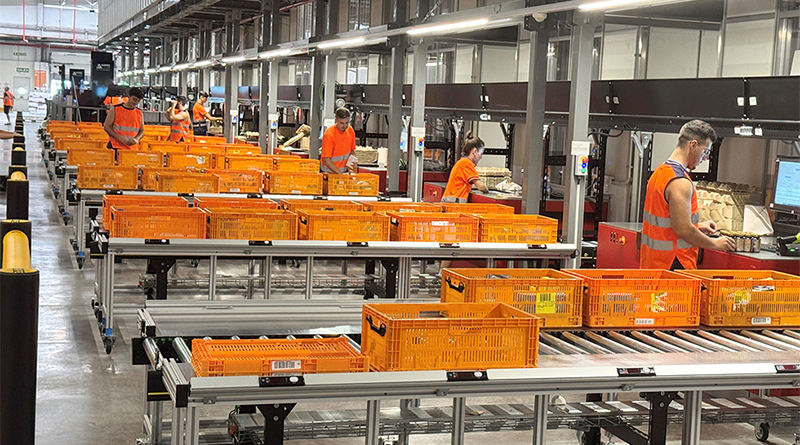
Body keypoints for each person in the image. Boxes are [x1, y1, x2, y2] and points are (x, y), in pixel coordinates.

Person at [640, 120, 735, 270]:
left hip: (654, 263)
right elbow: (684, 230)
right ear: (693, 145)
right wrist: (715, 243)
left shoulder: (660, 172)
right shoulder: (680, 182)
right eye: (705, 152)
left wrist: (697, 226)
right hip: (674, 264)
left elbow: (668, 222)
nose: (705, 158)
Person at [441, 131, 489, 203]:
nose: (480, 157)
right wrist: (487, 191)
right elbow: (480, 186)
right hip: (454, 201)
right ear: (475, 152)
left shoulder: (462, 162)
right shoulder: (466, 164)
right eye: (481, 154)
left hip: (451, 200)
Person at [103, 87, 145, 151]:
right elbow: (106, 126)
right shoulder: (115, 109)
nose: (136, 102)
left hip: (132, 148)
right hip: (115, 146)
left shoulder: (139, 113)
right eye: (134, 99)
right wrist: (120, 138)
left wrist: (136, 139)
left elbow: (142, 131)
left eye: (138, 101)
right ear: (129, 97)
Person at [320, 107, 357, 174]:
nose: (344, 126)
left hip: (343, 172)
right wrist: (340, 174)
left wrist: (351, 167)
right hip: (328, 173)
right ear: (336, 120)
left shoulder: (350, 130)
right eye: (342, 123)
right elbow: (326, 160)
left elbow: (352, 152)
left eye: (347, 123)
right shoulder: (329, 134)